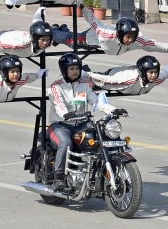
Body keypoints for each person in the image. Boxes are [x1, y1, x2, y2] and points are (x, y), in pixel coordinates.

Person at [49, 53, 125, 191]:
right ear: (64, 70)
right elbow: (58, 104)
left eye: (77, 68)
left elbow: (96, 102)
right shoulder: (56, 86)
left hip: (81, 124)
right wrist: (65, 114)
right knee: (66, 143)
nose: (75, 71)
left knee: (101, 137)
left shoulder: (84, 85)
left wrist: (113, 110)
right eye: (71, 68)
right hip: (60, 124)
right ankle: (58, 177)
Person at [54, 9, 168, 56]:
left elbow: (153, 45)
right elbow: (93, 21)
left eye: (133, 37)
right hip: (91, 39)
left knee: (70, 39)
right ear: (120, 34)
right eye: (128, 37)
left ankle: (63, 29)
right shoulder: (105, 34)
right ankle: (53, 32)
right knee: (70, 41)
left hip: (106, 48)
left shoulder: (137, 40)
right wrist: (82, 7)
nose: (130, 40)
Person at [87, 55, 168, 95]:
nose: (154, 75)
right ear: (143, 72)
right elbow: (106, 80)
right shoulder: (129, 79)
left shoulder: (157, 79)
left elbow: (166, 73)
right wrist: (87, 74)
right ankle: (85, 70)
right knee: (90, 85)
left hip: (125, 79)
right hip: (113, 76)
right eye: (151, 72)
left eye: (156, 72)